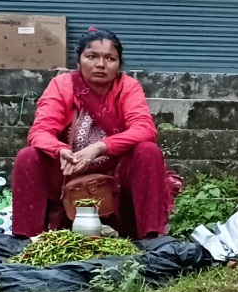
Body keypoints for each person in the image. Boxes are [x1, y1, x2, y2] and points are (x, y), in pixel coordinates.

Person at [12, 29, 176, 238]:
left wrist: (99, 147)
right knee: (28, 157)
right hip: (67, 168)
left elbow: (144, 128)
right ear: (79, 62)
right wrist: (60, 150)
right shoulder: (62, 85)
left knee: (147, 151)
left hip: (115, 169)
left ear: (118, 66)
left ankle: (152, 239)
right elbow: (40, 131)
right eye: (92, 57)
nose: (101, 64)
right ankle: (26, 239)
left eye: (110, 58)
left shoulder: (127, 87)